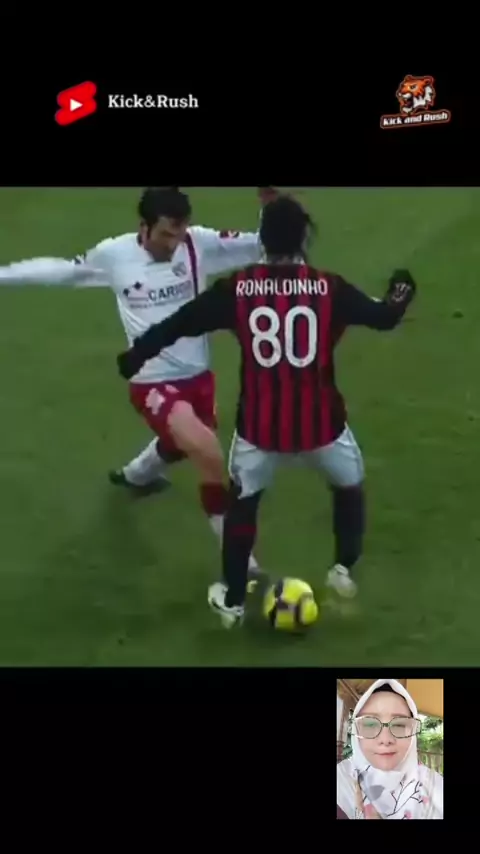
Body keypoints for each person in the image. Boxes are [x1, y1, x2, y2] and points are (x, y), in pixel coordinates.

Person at [116, 195, 416, 627]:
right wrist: (402, 289)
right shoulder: (329, 288)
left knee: (243, 507)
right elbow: (385, 317)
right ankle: (342, 570)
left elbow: (179, 323)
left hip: (260, 430)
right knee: (348, 486)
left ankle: (233, 602)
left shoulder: (237, 289)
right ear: (304, 237)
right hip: (323, 426)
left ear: (264, 239)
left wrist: (136, 356)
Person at [0, 186, 277, 576]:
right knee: (208, 452)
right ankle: (241, 563)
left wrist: (270, 206)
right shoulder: (115, 255)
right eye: (165, 234)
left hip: (198, 378)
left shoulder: (198, 244)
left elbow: (263, 246)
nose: (173, 244)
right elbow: (62, 270)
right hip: (152, 383)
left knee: (182, 443)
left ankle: (138, 475)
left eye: (180, 233)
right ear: (143, 228)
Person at [337, 678, 443, 819]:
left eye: (399, 725)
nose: (385, 739)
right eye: (370, 724)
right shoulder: (341, 783)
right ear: (356, 731)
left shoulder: (437, 788)